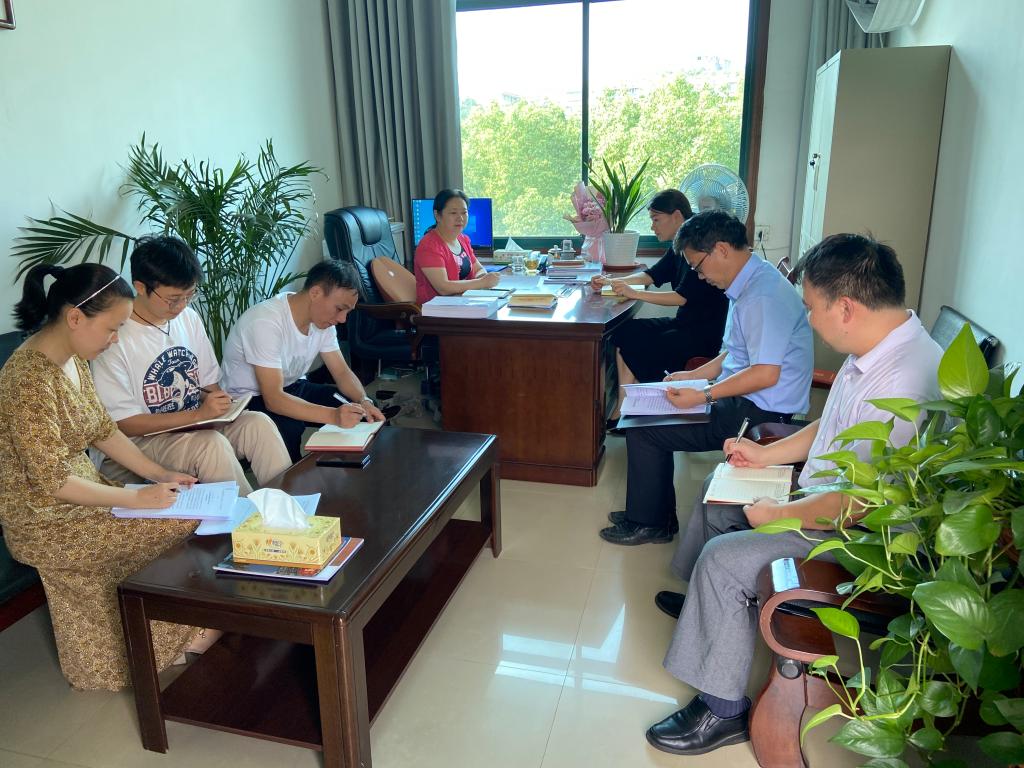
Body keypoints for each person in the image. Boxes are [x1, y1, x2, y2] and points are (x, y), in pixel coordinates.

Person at [644, 233, 943, 756]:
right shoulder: (878, 346)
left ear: (845, 307)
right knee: (719, 493)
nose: (808, 319)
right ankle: (705, 610)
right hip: (824, 497)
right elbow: (832, 423)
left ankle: (721, 710)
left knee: (723, 560)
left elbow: (860, 503)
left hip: (860, 539)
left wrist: (782, 513)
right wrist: (765, 458)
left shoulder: (906, 381)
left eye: (811, 307)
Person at [0, 263, 211, 691]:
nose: (115, 338)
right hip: (44, 518)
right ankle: (177, 635)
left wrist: (160, 473)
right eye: (113, 328)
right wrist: (137, 499)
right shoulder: (27, 380)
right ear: (75, 317)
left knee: (184, 511)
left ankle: (173, 633)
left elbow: (103, 429)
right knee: (185, 521)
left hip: (84, 494)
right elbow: (52, 481)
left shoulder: (73, 360)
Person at [600, 210, 813, 545]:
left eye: (698, 266)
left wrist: (704, 394)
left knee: (644, 431)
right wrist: (693, 376)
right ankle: (654, 515)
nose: (699, 276)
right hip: (746, 400)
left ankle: (650, 523)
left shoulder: (762, 297)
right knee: (643, 419)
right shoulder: (753, 282)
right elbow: (735, 353)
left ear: (721, 250)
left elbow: (765, 374)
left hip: (760, 413)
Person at [91, 236, 291, 494]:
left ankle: (290, 506)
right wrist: (198, 416)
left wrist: (219, 406)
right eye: (173, 299)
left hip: (193, 426)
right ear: (140, 287)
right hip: (140, 442)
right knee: (210, 445)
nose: (182, 306)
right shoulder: (116, 334)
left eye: (189, 295)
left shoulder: (188, 317)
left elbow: (208, 385)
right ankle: (248, 517)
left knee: (258, 424)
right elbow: (124, 424)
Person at [220, 260, 385, 461]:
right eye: (339, 309)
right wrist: (333, 416)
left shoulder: (323, 322)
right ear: (315, 293)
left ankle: (356, 467)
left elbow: (342, 372)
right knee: (289, 428)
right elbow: (274, 399)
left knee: (362, 412)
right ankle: (292, 478)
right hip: (248, 399)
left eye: (347, 312)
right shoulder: (265, 321)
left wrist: (364, 400)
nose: (342, 319)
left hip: (291, 386)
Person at [590, 190, 729, 425]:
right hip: (683, 324)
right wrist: (612, 282)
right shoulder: (679, 244)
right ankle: (624, 407)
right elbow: (652, 275)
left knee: (640, 344)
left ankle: (637, 408)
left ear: (676, 216)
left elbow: (682, 298)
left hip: (702, 336)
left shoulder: (699, 246)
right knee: (625, 333)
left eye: (656, 219)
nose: (653, 227)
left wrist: (634, 293)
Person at [414, 188, 500, 304]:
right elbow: (443, 288)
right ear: (437, 215)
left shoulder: (463, 239)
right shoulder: (429, 246)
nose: (460, 218)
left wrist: (483, 277)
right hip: (437, 309)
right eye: (453, 213)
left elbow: (478, 269)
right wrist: (482, 283)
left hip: (464, 302)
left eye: (464, 212)